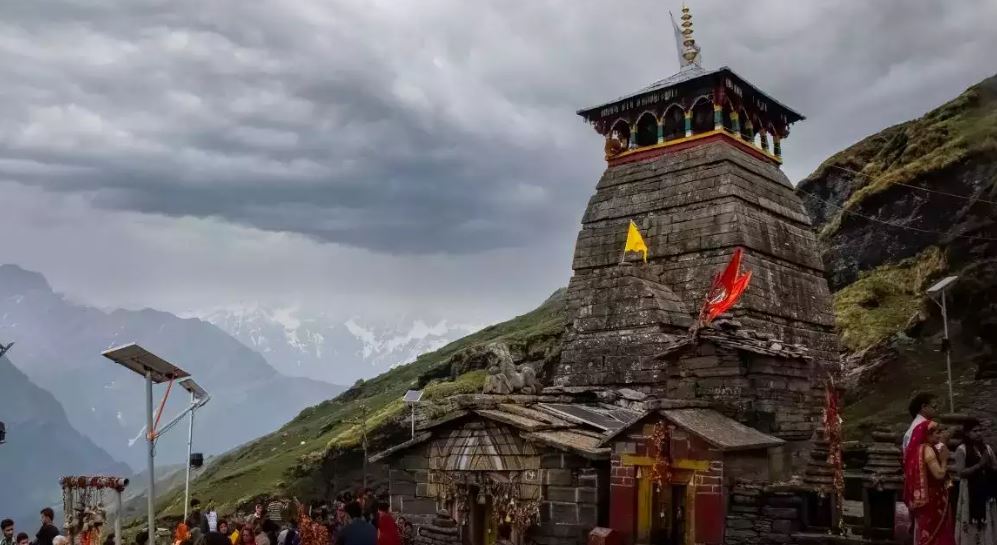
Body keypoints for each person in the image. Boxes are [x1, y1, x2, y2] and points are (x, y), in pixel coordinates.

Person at [905, 420, 956, 545]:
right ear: (927, 434)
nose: (939, 436)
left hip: (927, 497)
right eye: (937, 433)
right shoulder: (927, 449)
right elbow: (939, 474)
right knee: (935, 533)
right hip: (933, 499)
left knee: (926, 530)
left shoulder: (919, 449)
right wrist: (944, 460)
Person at [955, 419, 997, 545]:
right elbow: (961, 472)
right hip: (970, 491)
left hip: (986, 490)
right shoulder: (961, 449)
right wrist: (979, 465)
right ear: (967, 433)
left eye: (980, 430)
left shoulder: (987, 448)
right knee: (971, 522)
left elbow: (995, 466)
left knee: (989, 519)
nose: (979, 433)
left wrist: (989, 465)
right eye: (975, 431)